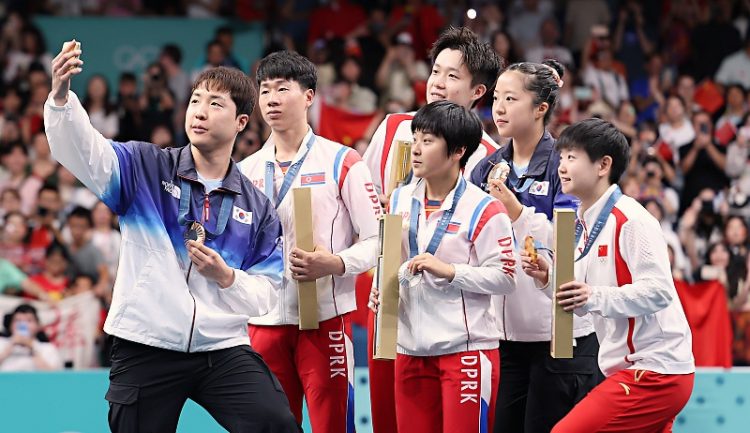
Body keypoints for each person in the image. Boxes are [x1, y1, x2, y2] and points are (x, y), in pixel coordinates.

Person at [44, 40, 299, 433]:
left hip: (221, 347)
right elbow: (85, 152)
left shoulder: (258, 207)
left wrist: (226, 277)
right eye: (196, 100)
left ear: (241, 122)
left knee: (275, 423)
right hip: (146, 342)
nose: (200, 111)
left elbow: (267, 292)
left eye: (216, 104)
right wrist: (61, 98)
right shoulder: (145, 167)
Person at [362, 27, 503, 432]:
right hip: (391, 297)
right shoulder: (392, 128)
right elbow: (369, 203)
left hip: (453, 316)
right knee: (390, 415)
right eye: (435, 71)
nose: (438, 83)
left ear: (478, 91)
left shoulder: (488, 157)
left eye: (452, 76)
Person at [239, 50, 381, 433]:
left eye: (282, 89)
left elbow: (377, 240)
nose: (270, 99)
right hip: (262, 323)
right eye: (264, 90)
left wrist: (334, 264)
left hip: (325, 322)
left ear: (308, 96)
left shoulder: (343, 161)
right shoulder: (243, 171)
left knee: (333, 426)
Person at [522, 118, 694, 432]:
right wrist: (548, 278)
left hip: (655, 370)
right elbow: (577, 298)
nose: (561, 166)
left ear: (603, 165)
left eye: (571, 157)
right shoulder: (581, 224)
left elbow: (659, 291)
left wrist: (593, 296)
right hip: (629, 369)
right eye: (561, 158)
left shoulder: (631, 219)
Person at [469, 60, 601, 433]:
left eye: (511, 99)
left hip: (560, 338)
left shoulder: (566, 164)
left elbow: (572, 243)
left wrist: (515, 209)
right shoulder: (486, 168)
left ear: (541, 108)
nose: (499, 108)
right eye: (496, 98)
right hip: (505, 340)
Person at [0, 304, 63, 371]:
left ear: (38, 325)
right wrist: (9, 347)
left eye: (29, 321)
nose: (23, 325)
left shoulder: (47, 348)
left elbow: (54, 376)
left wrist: (32, 349)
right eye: (18, 320)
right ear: (10, 325)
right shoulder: (1, 343)